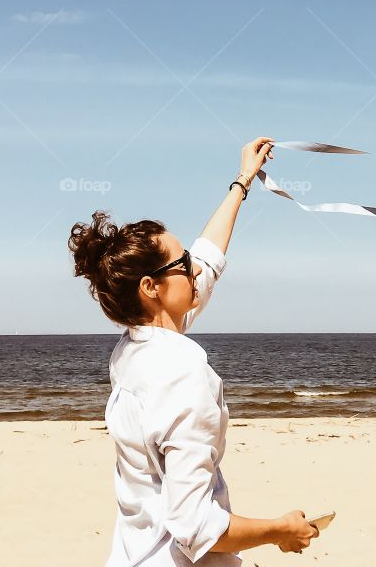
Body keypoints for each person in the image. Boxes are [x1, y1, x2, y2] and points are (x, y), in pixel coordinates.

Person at [69, 137, 321, 565]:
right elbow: (194, 525)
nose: (194, 268)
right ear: (151, 288)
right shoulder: (181, 371)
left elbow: (210, 256)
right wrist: (282, 530)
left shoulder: (133, 348)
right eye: (181, 263)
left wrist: (243, 181)